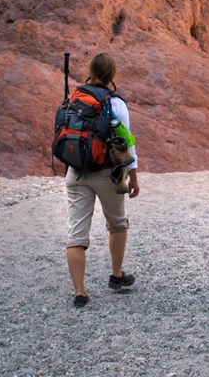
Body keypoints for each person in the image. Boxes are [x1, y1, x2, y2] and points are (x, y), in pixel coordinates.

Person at [65, 52, 140, 308]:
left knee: (77, 233)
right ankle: (116, 276)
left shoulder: (74, 98)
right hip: (107, 173)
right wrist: (134, 178)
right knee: (117, 224)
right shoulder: (115, 104)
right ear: (112, 75)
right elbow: (125, 145)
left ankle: (79, 292)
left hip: (75, 173)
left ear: (91, 70)